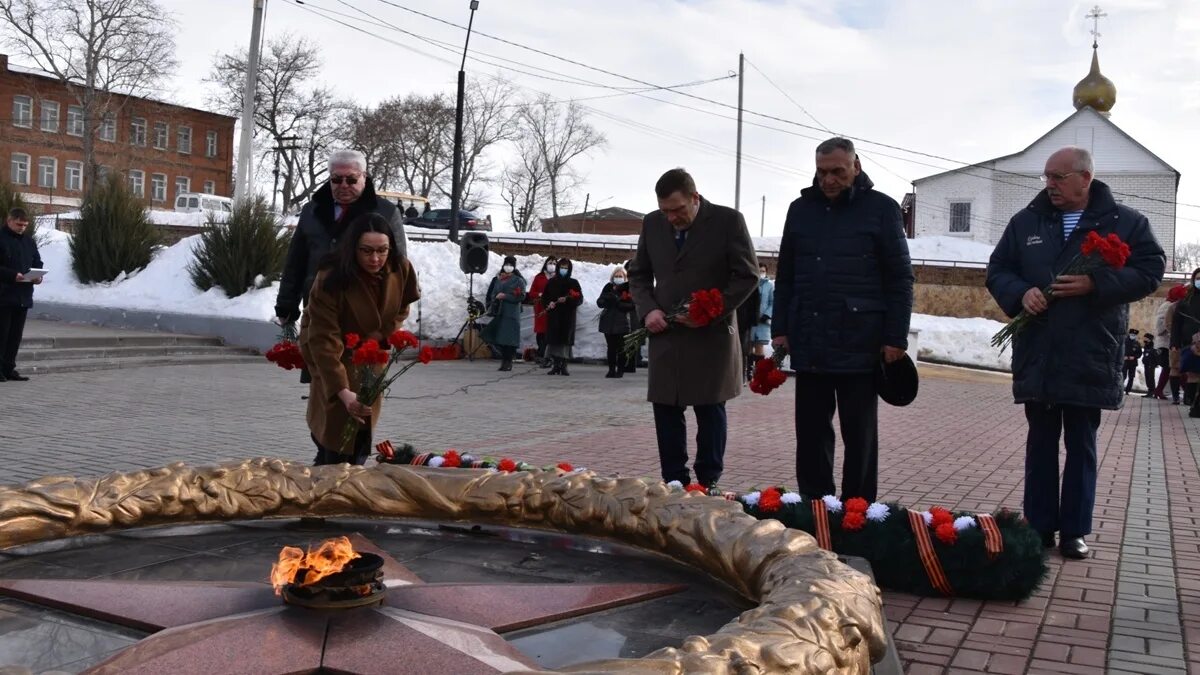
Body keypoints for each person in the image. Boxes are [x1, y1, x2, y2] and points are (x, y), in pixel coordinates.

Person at [986, 146, 1165, 560]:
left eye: (1058, 177)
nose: (1050, 184)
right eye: (1047, 177)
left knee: (1081, 442)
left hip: (1090, 348)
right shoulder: (1026, 221)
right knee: (1041, 440)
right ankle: (1040, 526)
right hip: (1040, 347)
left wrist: (1096, 284)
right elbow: (998, 269)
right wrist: (1020, 293)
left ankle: (1074, 531)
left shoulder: (1127, 222)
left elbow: (1150, 271)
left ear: (1085, 177)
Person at [771, 138, 914, 504]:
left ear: (856, 166)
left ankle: (857, 512)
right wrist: (781, 329)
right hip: (811, 336)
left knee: (860, 436)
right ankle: (816, 506)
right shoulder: (800, 210)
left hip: (861, 341)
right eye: (822, 172)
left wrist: (895, 336)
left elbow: (900, 277)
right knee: (812, 432)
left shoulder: (882, 209)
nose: (829, 180)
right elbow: (785, 274)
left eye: (838, 171)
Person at [629, 168, 759, 488]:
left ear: (695, 198)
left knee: (709, 408)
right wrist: (649, 311)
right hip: (666, 333)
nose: (672, 217)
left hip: (710, 335)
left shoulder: (728, 222)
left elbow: (747, 276)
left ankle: (707, 480)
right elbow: (639, 275)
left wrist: (712, 309)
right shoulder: (652, 223)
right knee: (666, 407)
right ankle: (674, 480)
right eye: (665, 211)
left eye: (678, 210)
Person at [276, 150, 408, 383]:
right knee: (323, 381)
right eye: (336, 179)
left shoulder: (385, 212)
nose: (343, 185)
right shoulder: (312, 210)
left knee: (360, 386)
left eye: (351, 179)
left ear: (364, 177)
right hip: (319, 309)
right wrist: (286, 306)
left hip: (363, 314)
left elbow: (397, 269)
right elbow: (295, 262)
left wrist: (389, 321)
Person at [299, 213, 420, 466]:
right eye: (366, 251)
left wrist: (381, 335)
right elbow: (323, 337)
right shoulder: (331, 277)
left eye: (382, 250)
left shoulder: (400, 268)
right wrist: (342, 392)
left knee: (359, 439)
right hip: (333, 362)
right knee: (333, 440)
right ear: (352, 248)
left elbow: (402, 308)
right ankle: (324, 488)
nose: (375, 259)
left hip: (371, 361)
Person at [0, 208, 42, 382]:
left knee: (15, 336)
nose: (22, 228)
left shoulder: (29, 241)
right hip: (3, 295)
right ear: (9, 221)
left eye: (25, 225)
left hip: (23, 295)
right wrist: (11, 275)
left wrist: (38, 276)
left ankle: (9, 369)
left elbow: (37, 261)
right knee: (1, 335)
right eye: (19, 224)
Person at [481, 255, 526, 371]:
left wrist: (505, 296)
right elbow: (493, 293)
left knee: (510, 339)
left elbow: (521, 296)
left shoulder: (519, 280)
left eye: (511, 265)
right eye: (506, 264)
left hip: (512, 313)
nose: (508, 267)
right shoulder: (499, 279)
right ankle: (504, 361)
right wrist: (494, 300)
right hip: (501, 312)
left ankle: (508, 361)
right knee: (501, 338)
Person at [541, 257, 582, 375]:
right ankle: (555, 364)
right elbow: (545, 297)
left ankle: (564, 365)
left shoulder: (573, 283)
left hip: (567, 317)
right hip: (554, 316)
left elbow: (579, 299)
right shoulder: (552, 282)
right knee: (554, 341)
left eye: (566, 268)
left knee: (564, 342)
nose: (563, 269)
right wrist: (549, 304)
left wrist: (568, 300)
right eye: (562, 267)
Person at [597, 266, 636, 378]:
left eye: (620, 276)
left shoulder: (628, 288)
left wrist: (618, 303)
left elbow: (632, 305)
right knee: (611, 347)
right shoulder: (608, 287)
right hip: (608, 321)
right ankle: (611, 369)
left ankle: (620, 369)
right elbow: (600, 302)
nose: (618, 278)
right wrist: (605, 300)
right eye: (616, 276)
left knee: (621, 347)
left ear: (625, 277)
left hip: (622, 322)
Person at [1154, 284, 1188, 403]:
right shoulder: (1168, 306)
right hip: (1166, 343)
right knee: (1172, 367)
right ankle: (1160, 390)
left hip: (1169, 341)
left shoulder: (1172, 304)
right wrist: (1174, 334)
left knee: (1173, 367)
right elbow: (1163, 325)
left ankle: (1184, 392)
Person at [1171, 267, 1200, 406]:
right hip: (1190, 343)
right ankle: (1190, 401)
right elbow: (1176, 323)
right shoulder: (1185, 301)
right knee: (1193, 373)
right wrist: (1174, 342)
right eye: (1198, 279)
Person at [525, 258, 556, 366]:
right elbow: (531, 293)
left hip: (553, 308)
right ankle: (542, 354)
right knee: (541, 332)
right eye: (550, 263)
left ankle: (549, 356)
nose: (552, 265)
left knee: (550, 332)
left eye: (554, 263)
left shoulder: (558, 278)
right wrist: (539, 294)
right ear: (545, 264)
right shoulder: (539, 277)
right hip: (541, 308)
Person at [735, 270, 761, 381]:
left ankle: (742, 376)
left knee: (743, 349)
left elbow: (756, 302)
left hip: (744, 321)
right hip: (733, 318)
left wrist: (754, 320)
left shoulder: (751, 281)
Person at [751, 264, 774, 372]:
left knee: (759, 346)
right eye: (759, 270)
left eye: (763, 271)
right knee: (748, 346)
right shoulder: (750, 283)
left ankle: (759, 372)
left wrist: (767, 314)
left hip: (763, 321)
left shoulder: (769, 286)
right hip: (750, 320)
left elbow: (772, 302)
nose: (761, 273)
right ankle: (748, 372)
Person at [1122, 328, 1141, 394]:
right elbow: (1121, 350)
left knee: (1131, 377)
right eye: (1132, 334)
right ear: (1129, 334)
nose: (1133, 336)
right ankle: (1120, 388)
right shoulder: (1124, 341)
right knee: (1123, 376)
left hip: (1133, 363)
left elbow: (1139, 353)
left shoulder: (1137, 343)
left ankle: (1127, 390)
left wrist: (1134, 357)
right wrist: (1124, 356)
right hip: (1125, 361)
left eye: (1134, 335)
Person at [1140, 332, 1157, 397]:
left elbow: (1155, 355)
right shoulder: (1146, 346)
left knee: (1151, 377)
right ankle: (1150, 391)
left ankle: (1152, 391)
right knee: (1147, 377)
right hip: (1146, 364)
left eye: (1146, 338)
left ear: (1149, 339)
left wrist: (1154, 363)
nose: (1144, 339)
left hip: (1151, 364)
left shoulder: (1153, 346)